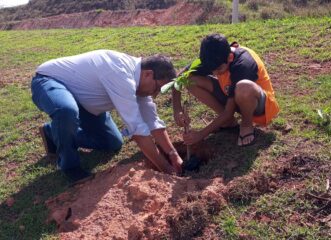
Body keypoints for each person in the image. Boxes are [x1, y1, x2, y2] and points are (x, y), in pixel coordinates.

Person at [31, 50, 183, 182]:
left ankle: (52, 132)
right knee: (66, 111)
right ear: (148, 74)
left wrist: (173, 153)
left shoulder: (139, 83)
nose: (155, 95)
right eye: (156, 88)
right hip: (48, 81)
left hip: (84, 102)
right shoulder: (120, 73)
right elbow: (137, 129)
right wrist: (166, 169)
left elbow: (153, 121)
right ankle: (70, 166)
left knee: (112, 142)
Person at [172, 33, 279, 146]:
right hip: (232, 96)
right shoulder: (212, 58)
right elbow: (180, 79)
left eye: (218, 69)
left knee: (243, 87)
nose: (214, 73)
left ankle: (246, 125)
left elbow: (229, 112)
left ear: (230, 58)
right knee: (190, 79)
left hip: (259, 106)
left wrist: (201, 134)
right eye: (211, 70)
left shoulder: (243, 64)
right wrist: (177, 109)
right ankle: (228, 123)